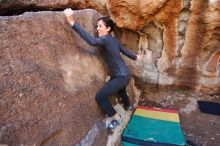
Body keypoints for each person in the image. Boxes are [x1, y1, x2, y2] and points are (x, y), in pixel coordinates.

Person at [63, 8, 142, 129]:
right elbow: (125, 51)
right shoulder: (113, 40)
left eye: (100, 26)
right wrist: (135, 57)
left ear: (108, 28)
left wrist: (73, 22)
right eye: (97, 26)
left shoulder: (104, 39)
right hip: (123, 75)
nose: (97, 28)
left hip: (121, 76)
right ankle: (128, 106)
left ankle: (117, 118)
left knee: (100, 96)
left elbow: (92, 41)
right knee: (121, 90)